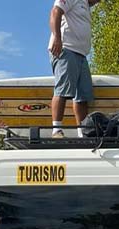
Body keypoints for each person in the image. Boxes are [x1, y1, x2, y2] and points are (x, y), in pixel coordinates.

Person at [48, 0, 103, 138]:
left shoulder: (85, 5)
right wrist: (57, 38)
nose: (98, 2)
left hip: (81, 54)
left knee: (82, 97)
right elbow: (55, 12)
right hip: (66, 49)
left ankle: (82, 132)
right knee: (62, 90)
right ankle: (56, 130)